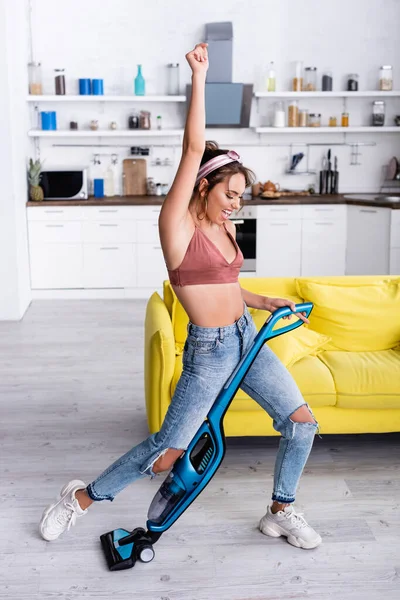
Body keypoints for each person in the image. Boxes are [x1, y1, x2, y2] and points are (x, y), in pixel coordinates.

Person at [40, 43, 321, 550]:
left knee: (302, 423)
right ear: (204, 187)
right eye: (229, 194)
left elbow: (225, 286)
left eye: (240, 197)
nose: (235, 205)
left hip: (247, 338)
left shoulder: (223, 226)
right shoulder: (177, 224)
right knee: (166, 452)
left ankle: (281, 510)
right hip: (209, 350)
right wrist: (200, 76)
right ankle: (79, 498)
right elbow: (193, 150)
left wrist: (263, 302)